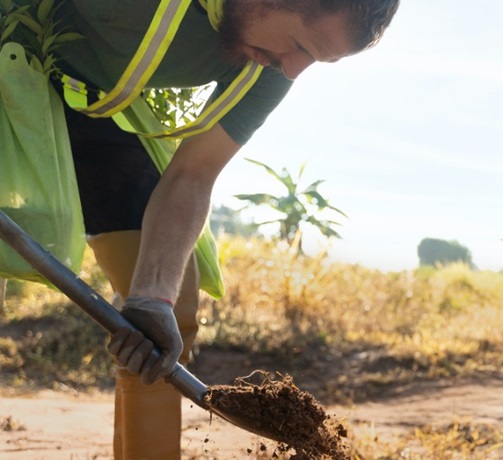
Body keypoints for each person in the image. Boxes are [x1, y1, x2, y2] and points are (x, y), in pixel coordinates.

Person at [4, 0, 397, 458]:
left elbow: (193, 174)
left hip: (92, 107)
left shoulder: (267, 68)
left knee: (165, 313)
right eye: (298, 45)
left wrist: (152, 298)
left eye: (315, 61)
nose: (293, 71)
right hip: (13, 56)